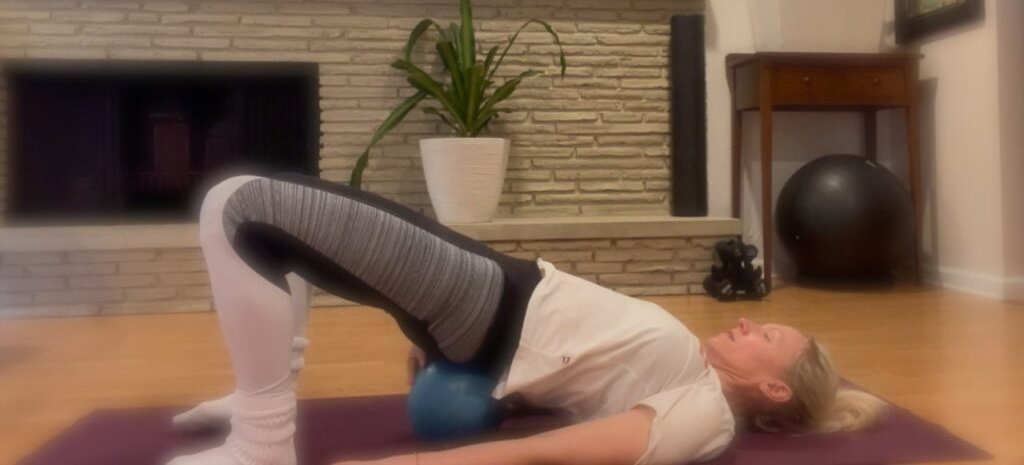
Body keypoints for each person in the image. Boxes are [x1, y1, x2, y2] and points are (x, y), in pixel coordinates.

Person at [167, 173, 887, 465]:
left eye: (767, 340)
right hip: (485, 305)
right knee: (278, 237)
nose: (749, 325)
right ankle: (264, 398)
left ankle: (261, 439)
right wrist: (476, 374)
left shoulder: (706, 415)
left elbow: (544, 454)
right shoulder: (691, 370)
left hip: (485, 302)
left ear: (774, 392)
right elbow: (571, 377)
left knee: (240, 206)